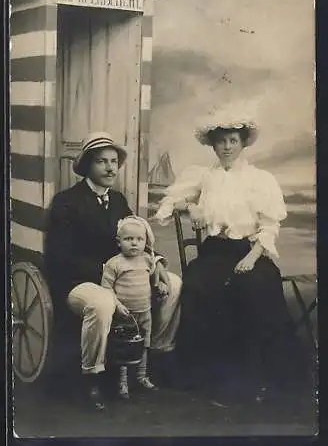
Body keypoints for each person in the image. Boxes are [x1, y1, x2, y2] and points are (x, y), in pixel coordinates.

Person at [154, 105, 311, 402]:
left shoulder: (259, 179)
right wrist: (192, 207)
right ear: (212, 144)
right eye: (220, 141)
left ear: (242, 143)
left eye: (232, 141)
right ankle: (211, 378)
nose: (226, 147)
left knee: (254, 287)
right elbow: (171, 200)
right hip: (215, 251)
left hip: (249, 250)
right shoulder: (203, 176)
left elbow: (269, 225)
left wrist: (252, 258)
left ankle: (259, 377)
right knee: (201, 287)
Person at [44, 132, 181, 411]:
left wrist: (157, 264)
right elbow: (61, 257)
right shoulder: (66, 201)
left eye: (114, 162)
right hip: (78, 282)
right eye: (102, 161)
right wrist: (113, 274)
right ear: (86, 166)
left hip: (121, 277)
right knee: (102, 302)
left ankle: (146, 357)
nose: (110, 168)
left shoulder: (118, 200)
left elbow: (137, 238)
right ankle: (91, 377)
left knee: (174, 284)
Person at [101, 215, 169, 399]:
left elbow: (153, 278)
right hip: (125, 313)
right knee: (125, 346)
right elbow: (106, 288)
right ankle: (122, 382)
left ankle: (141, 376)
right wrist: (118, 305)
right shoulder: (114, 263)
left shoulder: (147, 259)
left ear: (145, 242)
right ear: (119, 242)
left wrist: (160, 285)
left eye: (139, 240)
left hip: (144, 311)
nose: (134, 244)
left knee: (144, 344)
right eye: (128, 239)